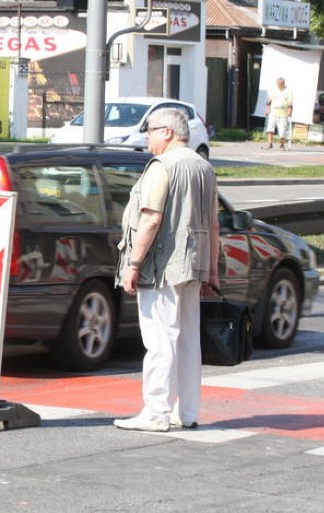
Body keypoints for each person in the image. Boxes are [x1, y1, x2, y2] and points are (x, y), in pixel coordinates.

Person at [114, 108, 221, 432]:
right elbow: (214, 225)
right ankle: (187, 411)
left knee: (159, 339)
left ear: (168, 133)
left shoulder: (162, 167)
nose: (147, 136)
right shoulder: (204, 167)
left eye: (151, 130)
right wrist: (213, 272)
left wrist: (133, 263)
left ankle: (156, 412)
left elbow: (151, 218)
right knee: (188, 340)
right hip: (194, 265)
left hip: (161, 265)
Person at [265, 77, 293, 151]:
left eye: (280, 84)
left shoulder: (288, 91)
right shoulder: (274, 90)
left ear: (283, 83)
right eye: (278, 84)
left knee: (282, 130)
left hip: (283, 112)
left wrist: (289, 111)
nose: (278, 85)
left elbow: (290, 103)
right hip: (273, 111)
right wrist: (267, 109)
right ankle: (270, 144)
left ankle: (282, 145)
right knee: (270, 128)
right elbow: (269, 100)